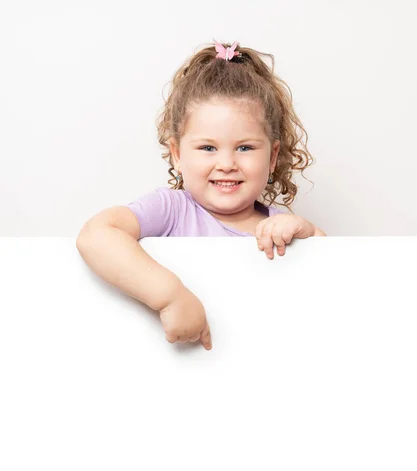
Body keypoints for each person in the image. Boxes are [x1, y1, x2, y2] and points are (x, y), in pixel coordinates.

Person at [76, 40, 326, 352]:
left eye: (245, 147)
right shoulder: (172, 210)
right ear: (177, 153)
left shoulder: (281, 228)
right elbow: (95, 236)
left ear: (273, 156)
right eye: (208, 148)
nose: (226, 164)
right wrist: (170, 297)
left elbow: (331, 285)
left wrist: (307, 234)